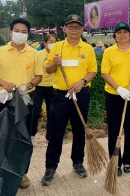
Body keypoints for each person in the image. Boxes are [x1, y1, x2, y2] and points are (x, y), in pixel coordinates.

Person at [0, 17, 43, 189]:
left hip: (25, 99)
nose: (20, 34)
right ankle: (2, 169)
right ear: (10, 32)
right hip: (5, 99)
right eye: (17, 31)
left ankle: (21, 172)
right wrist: (4, 83)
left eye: (24, 32)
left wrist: (29, 85)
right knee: (4, 134)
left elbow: (39, 76)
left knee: (23, 137)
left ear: (28, 34)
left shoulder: (34, 53)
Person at [41, 14, 97, 186]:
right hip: (60, 95)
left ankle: (78, 162)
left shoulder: (87, 49)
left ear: (82, 29)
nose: (74, 30)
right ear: (64, 29)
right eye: (70, 27)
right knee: (56, 131)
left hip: (81, 94)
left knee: (80, 130)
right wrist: (55, 63)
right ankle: (50, 167)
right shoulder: (57, 47)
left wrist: (82, 82)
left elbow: (92, 71)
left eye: (77, 27)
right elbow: (48, 70)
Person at [101, 22, 130, 176]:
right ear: (115, 36)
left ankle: (128, 160)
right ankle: (115, 161)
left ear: (129, 35)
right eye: (119, 32)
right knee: (114, 127)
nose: (122, 35)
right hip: (114, 93)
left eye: (125, 32)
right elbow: (105, 73)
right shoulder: (109, 52)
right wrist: (118, 88)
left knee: (129, 126)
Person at [32, 34, 57, 144]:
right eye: (50, 42)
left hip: (52, 87)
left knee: (52, 113)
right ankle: (32, 135)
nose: (52, 44)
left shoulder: (57, 55)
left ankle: (49, 136)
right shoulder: (38, 54)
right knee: (35, 112)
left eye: (54, 41)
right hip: (39, 87)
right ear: (45, 43)